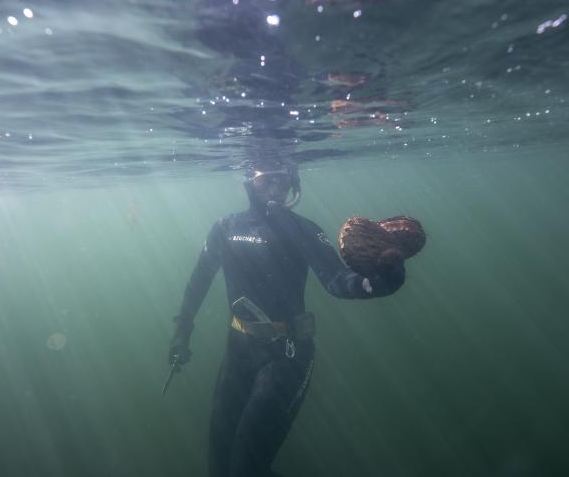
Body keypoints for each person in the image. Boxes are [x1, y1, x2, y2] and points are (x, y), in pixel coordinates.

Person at [168, 157, 406, 477]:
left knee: (246, 467)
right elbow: (198, 281)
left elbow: (335, 279)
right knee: (218, 463)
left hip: (287, 355)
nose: (275, 188)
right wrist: (182, 330)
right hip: (238, 350)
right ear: (249, 182)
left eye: (282, 181)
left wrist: (372, 285)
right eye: (267, 180)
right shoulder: (226, 228)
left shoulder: (304, 230)